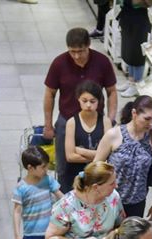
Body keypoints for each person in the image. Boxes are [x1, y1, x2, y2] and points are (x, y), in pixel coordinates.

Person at [44, 28, 118, 186]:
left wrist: (110, 119)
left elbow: (111, 91)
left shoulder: (102, 62)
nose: (76, 56)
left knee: (100, 166)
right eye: (72, 52)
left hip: (96, 121)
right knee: (64, 166)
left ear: (89, 45)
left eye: (81, 51)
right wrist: (48, 125)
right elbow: (50, 93)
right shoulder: (59, 63)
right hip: (66, 119)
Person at [95, 96, 152, 219]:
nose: (150, 124)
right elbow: (95, 167)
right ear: (134, 113)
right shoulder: (113, 135)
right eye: (147, 119)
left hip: (137, 204)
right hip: (109, 200)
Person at [62, 80, 112, 192]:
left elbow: (108, 154)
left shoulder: (105, 122)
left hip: (98, 176)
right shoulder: (72, 122)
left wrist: (80, 150)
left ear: (98, 101)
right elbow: (70, 156)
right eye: (84, 101)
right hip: (74, 175)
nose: (88, 105)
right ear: (78, 100)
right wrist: (99, 156)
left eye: (92, 101)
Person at [115, 0, 152, 98]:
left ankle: (137, 84)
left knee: (137, 53)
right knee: (129, 51)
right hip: (127, 15)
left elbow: (150, 3)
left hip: (139, 19)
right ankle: (130, 81)